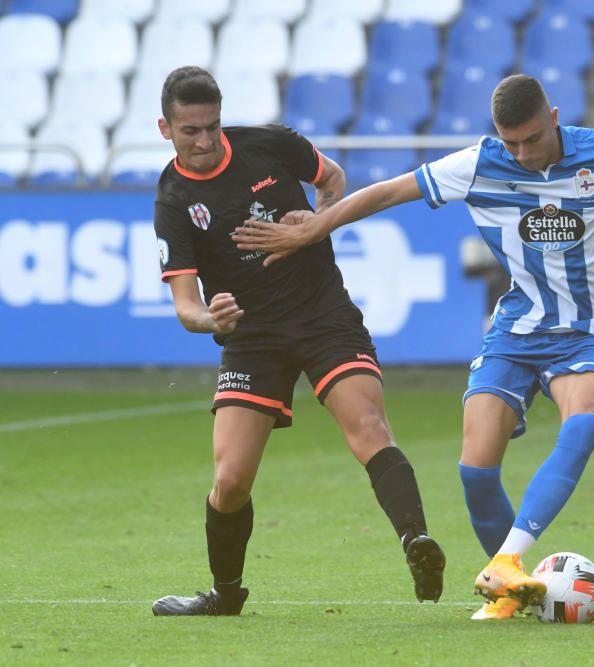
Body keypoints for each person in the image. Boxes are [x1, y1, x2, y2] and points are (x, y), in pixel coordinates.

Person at [232, 74, 594, 620]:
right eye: (511, 143)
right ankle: (510, 592)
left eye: (532, 139)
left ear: (553, 115)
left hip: (585, 331)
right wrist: (319, 223)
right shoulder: (480, 163)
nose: (521, 153)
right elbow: (390, 192)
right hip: (515, 332)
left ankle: (507, 562)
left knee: (584, 423)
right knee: (474, 470)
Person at [150, 66, 445, 616]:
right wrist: (212, 320)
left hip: (322, 314)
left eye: (213, 127)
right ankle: (226, 594)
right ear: (165, 129)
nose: (206, 141)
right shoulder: (172, 200)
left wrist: (313, 220)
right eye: (190, 130)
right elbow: (186, 306)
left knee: (369, 427)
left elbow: (332, 178)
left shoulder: (271, 145)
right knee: (232, 479)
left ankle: (417, 542)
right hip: (252, 337)